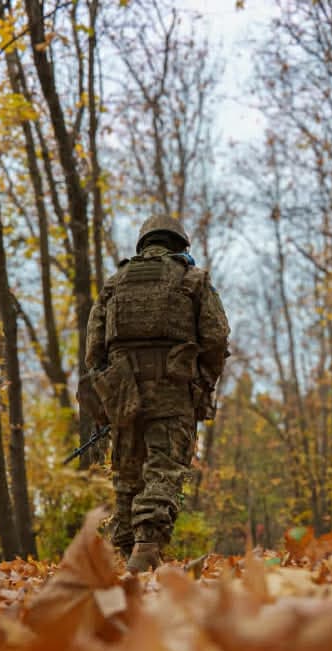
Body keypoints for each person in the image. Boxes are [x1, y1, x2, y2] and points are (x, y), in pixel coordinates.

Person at [82, 214, 230, 572]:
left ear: (144, 243)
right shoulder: (193, 279)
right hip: (172, 387)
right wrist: (203, 379)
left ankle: (124, 553)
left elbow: (94, 351)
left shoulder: (114, 284)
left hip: (123, 389)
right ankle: (145, 549)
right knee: (164, 467)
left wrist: (108, 392)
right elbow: (216, 336)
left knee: (127, 473)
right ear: (180, 244)